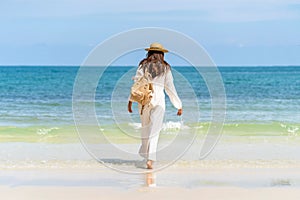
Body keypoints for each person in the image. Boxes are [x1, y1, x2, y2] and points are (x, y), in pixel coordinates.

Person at [128, 42, 182, 169]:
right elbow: (170, 88)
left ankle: (147, 155)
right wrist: (178, 105)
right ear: (162, 54)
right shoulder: (166, 68)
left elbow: (136, 85)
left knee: (145, 129)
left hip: (144, 101)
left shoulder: (143, 66)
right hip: (159, 102)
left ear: (149, 53)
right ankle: (150, 160)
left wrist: (130, 101)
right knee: (154, 131)